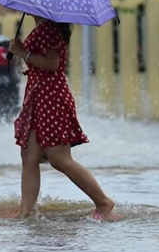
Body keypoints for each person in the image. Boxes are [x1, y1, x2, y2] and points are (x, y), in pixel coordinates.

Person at [8, 15, 121, 221]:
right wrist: (23, 51)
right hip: (38, 97)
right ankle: (25, 211)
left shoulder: (49, 29)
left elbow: (52, 64)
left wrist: (23, 52)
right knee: (29, 157)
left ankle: (104, 202)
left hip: (51, 97)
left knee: (59, 159)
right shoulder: (42, 27)